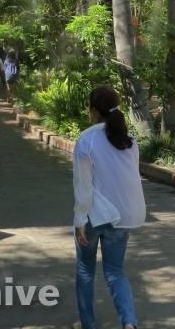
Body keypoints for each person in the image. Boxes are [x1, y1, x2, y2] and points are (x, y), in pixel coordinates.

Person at [72, 86, 145, 329]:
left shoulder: (86, 141)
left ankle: (89, 325)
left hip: (92, 217)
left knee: (85, 272)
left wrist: (80, 219)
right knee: (115, 273)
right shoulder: (129, 142)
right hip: (121, 218)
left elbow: (83, 186)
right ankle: (129, 323)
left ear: (93, 111)